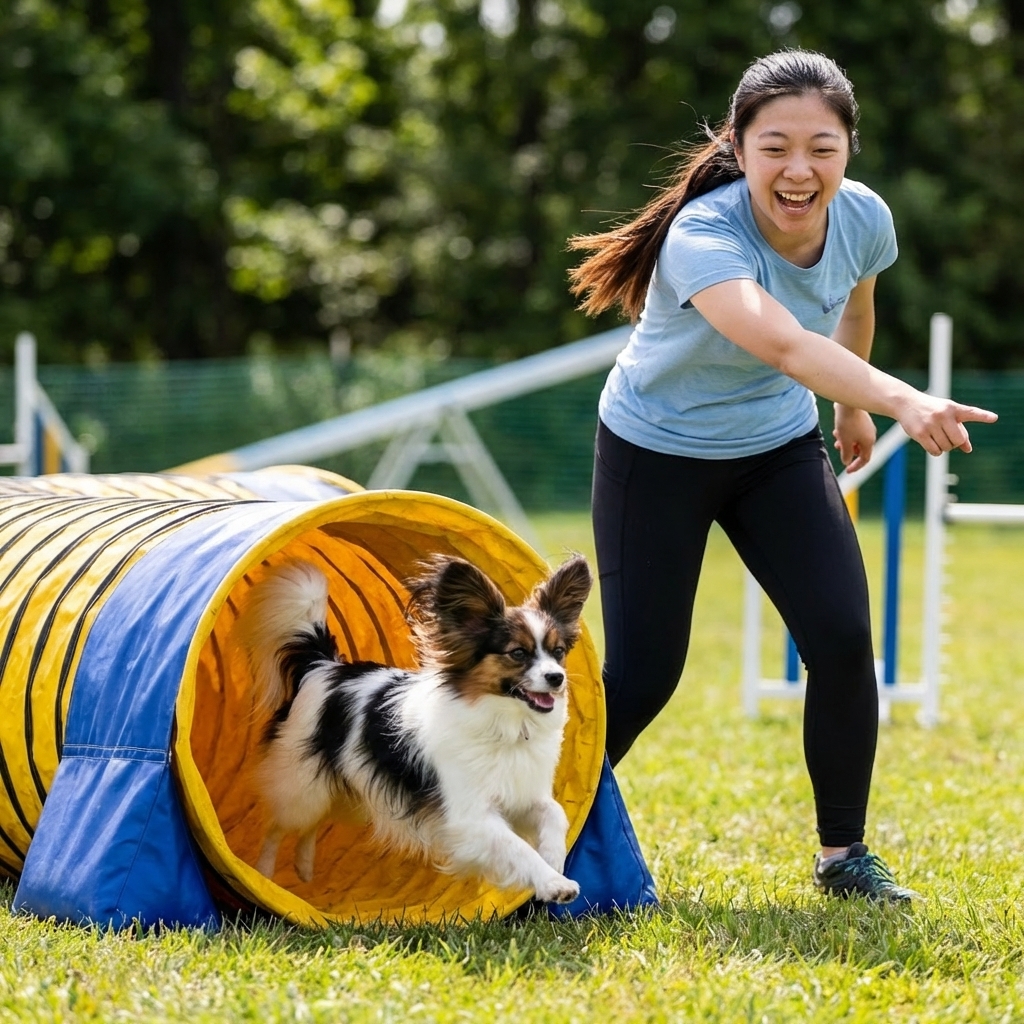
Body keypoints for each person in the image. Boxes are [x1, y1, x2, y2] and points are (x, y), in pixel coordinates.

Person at [568, 49, 997, 902]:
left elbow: (852, 307)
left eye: (821, 148)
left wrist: (852, 407)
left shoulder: (864, 218)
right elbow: (784, 344)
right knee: (647, 670)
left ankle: (845, 858)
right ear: (739, 144)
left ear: (849, 150)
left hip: (773, 448)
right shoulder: (704, 236)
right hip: (656, 451)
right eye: (775, 147)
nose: (799, 170)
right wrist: (903, 398)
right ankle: (535, 820)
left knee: (841, 641)